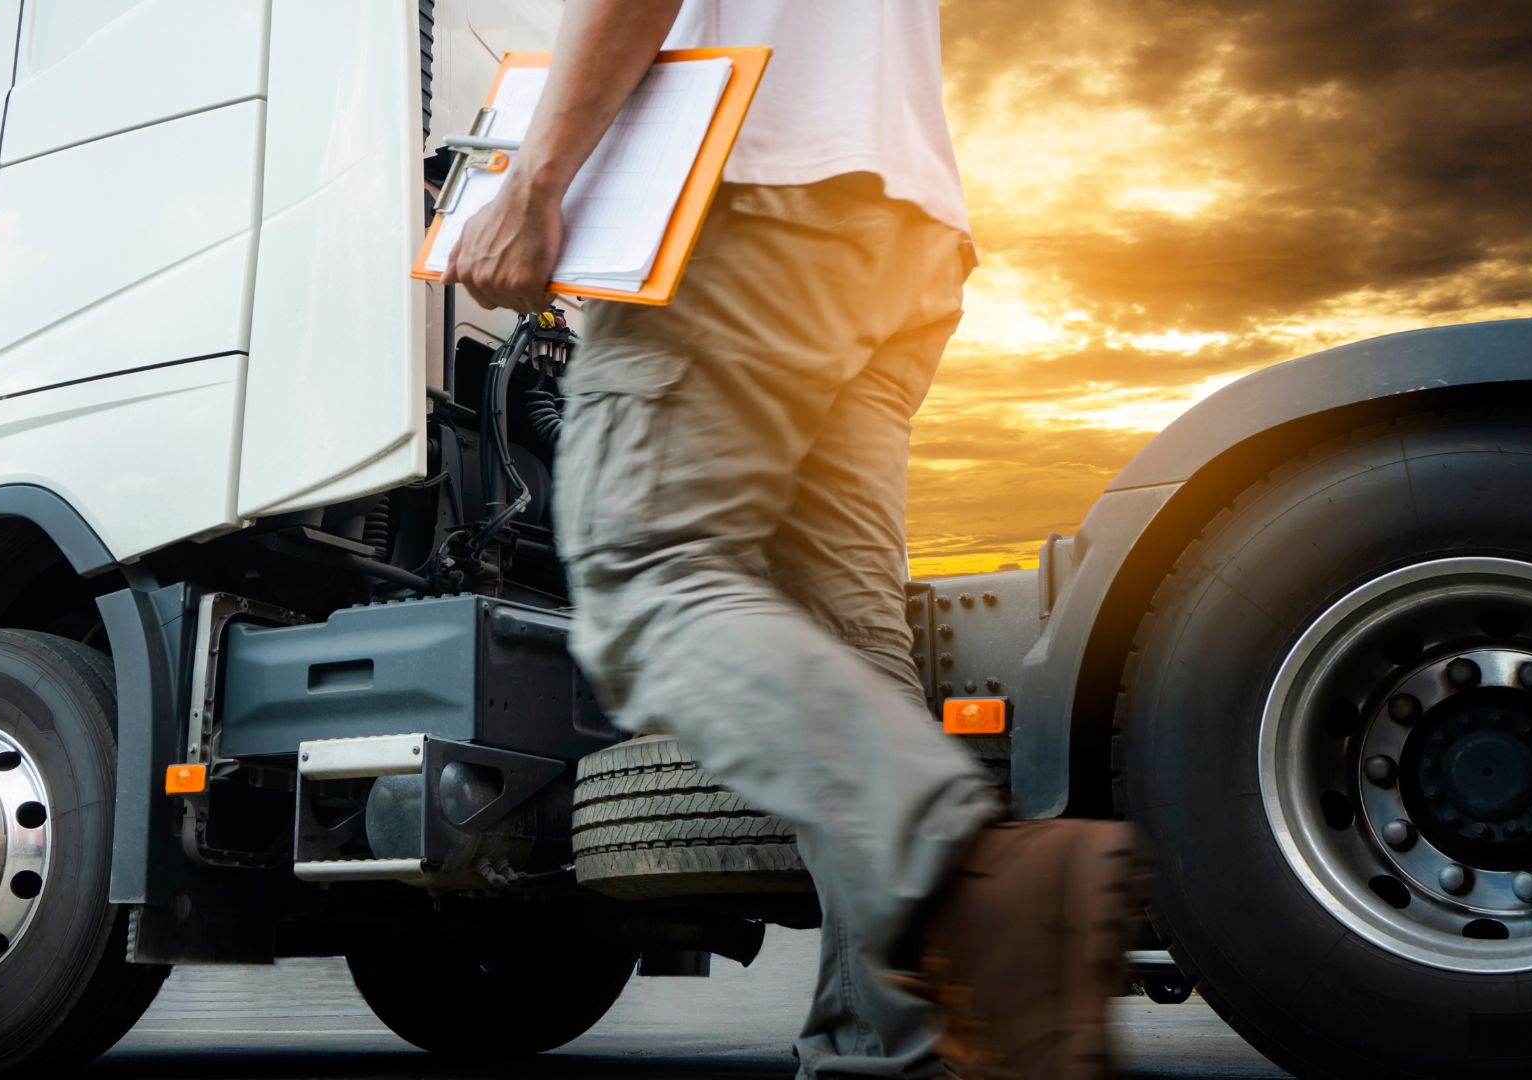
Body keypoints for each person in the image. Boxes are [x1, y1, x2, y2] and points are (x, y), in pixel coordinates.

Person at [443, 3, 1143, 1077]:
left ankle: (962, 865)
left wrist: (534, 183)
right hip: (899, 227)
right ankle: (893, 1042)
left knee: (642, 576)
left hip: (750, 189)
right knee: (851, 643)